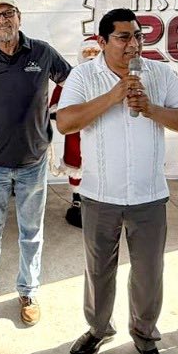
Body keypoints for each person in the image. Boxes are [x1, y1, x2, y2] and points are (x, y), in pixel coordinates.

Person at [56, 9, 178, 354]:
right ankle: (98, 328)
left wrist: (150, 109)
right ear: (102, 41)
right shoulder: (84, 75)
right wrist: (113, 96)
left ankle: (146, 339)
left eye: (138, 36)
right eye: (123, 37)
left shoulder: (159, 73)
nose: (133, 44)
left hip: (149, 196)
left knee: (149, 274)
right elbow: (65, 122)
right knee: (98, 270)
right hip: (99, 196)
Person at [0, 0, 71, 325]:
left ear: (19, 17)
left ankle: (29, 290)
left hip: (32, 162)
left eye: (7, 13)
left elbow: (73, 81)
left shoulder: (42, 52)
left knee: (30, 231)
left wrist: (68, 116)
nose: (2, 20)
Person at [55, 37, 103, 228]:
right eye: (87, 52)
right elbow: (56, 105)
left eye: (95, 52)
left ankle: (100, 201)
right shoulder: (71, 78)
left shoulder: (110, 76)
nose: (91, 56)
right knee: (76, 165)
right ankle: (77, 199)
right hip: (76, 132)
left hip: (102, 131)